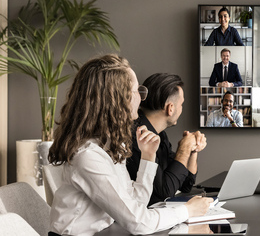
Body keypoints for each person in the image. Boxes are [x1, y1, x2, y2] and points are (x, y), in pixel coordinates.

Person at [48, 54, 212, 235]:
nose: (142, 99)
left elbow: (136, 203)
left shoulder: (109, 145)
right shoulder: (88, 156)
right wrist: (187, 210)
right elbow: (138, 222)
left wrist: (148, 158)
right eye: (137, 91)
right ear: (118, 99)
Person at [126, 73, 208, 206]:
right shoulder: (138, 136)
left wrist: (193, 150)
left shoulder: (161, 135)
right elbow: (164, 193)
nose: (181, 109)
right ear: (170, 108)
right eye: (181, 104)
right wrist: (184, 148)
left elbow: (186, 185)